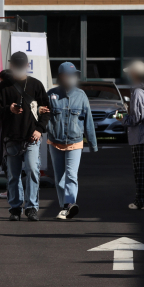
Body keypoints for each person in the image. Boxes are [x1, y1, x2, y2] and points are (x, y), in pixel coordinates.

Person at [0, 52, 50, 221]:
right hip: (11, 137)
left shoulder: (35, 85)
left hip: (32, 137)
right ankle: (15, 208)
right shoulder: (4, 87)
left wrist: (39, 129)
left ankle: (31, 207)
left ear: (26, 66)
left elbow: (47, 111)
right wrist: (9, 109)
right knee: (13, 175)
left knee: (32, 170)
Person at [46, 62, 98, 220]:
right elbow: (44, 118)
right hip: (55, 141)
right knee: (59, 176)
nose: (72, 78)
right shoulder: (51, 94)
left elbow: (88, 120)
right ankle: (65, 206)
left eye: (74, 75)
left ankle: (69, 204)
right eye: (68, 75)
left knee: (71, 175)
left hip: (75, 141)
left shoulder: (81, 95)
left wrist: (93, 143)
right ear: (61, 77)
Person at [120, 60, 144, 210]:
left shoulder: (138, 91)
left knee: (140, 170)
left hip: (140, 136)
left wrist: (122, 118)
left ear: (135, 74)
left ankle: (142, 201)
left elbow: (137, 117)